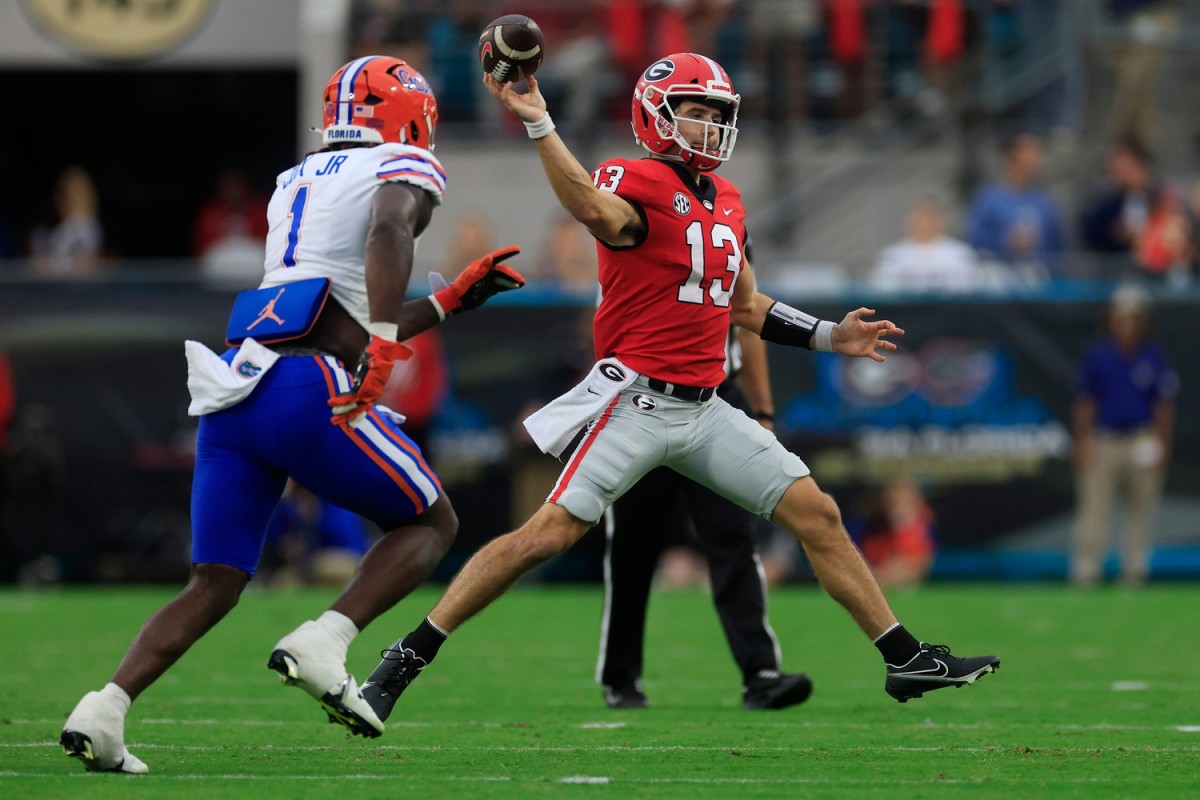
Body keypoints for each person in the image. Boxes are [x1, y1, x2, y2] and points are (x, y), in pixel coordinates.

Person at [337, 52, 1000, 737]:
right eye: (695, 110)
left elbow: (746, 306)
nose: (709, 125)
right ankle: (406, 656)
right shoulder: (639, 179)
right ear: (657, 113)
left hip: (706, 407)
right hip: (638, 404)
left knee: (819, 514)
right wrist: (539, 123)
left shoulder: (730, 199)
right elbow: (592, 207)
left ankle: (904, 657)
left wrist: (833, 337)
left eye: (717, 114)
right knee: (544, 537)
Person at [59, 55, 526, 773]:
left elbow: (336, 305)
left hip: (237, 392)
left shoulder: (293, 180)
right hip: (306, 390)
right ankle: (328, 638)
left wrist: (449, 301)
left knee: (213, 581)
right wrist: (384, 347)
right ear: (404, 117)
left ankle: (105, 707)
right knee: (432, 522)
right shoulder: (400, 164)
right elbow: (388, 235)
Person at [599, 323, 812, 711]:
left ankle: (761, 672)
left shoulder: (736, 257)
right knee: (633, 545)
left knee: (733, 535)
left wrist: (763, 411)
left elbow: (750, 318)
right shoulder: (631, 258)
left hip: (716, 401)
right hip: (642, 399)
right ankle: (620, 675)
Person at [1070, 284, 1177, 588]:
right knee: (1095, 506)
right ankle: (1087, 569)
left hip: (1142, 439)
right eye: (1122, 317)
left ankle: (1135, 570)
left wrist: (1162, 443)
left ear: (1143, 321)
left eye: (1134, 317)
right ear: (1112, 320)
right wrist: (1085, 441)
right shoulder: (1099, 355)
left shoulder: (1154, 356)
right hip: (1106, 439)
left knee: (1141, 507)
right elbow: (1086, 402)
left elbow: (1163, 404)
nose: (1128, 323)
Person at [964, 133, 1065, 273]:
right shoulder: (989, 198)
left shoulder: (1045, 202)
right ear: (1012, 158)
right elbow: (973, 239)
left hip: (1037, 279)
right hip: (997, 277)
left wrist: (1037, 244)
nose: (1035, 162)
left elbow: (1057, 246)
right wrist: (1004, 241)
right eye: (1028, 156)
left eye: (1037, 156)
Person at [868, 198, 980, 294]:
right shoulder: (893, 255)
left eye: (929, 217)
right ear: (909, 220)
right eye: (920, 217)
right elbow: (881, 291)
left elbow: (968, 289)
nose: (924, 223)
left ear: (941, 220)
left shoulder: (959, 253)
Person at [851, 477, 937, 590]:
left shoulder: (923, 516)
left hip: (908, 566)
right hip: (878, 564)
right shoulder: (875, 518)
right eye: (896, 498)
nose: (900, 501)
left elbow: (920, 554)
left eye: (905, 498)